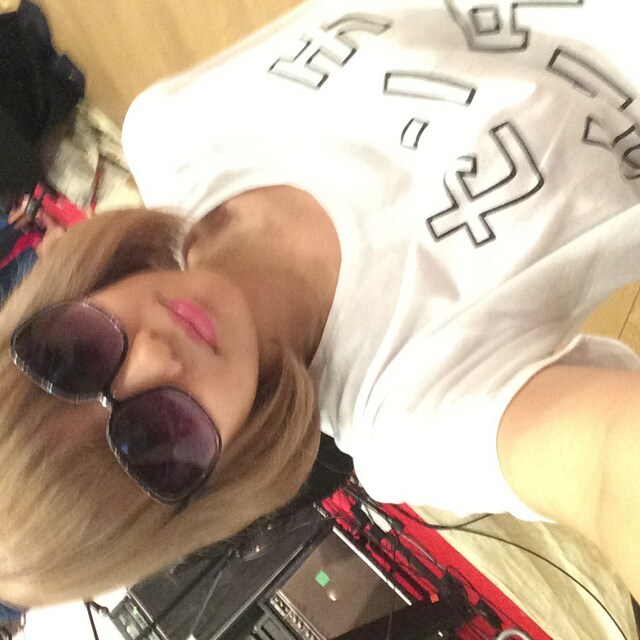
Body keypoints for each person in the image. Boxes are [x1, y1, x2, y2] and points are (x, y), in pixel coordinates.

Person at [2, 0, 640, 609]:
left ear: (57, 304)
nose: (152, 355)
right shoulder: (409, 413)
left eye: (73, 357)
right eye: (154, 439)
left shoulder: (171, 131)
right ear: (212, 485)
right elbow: (607, 474)